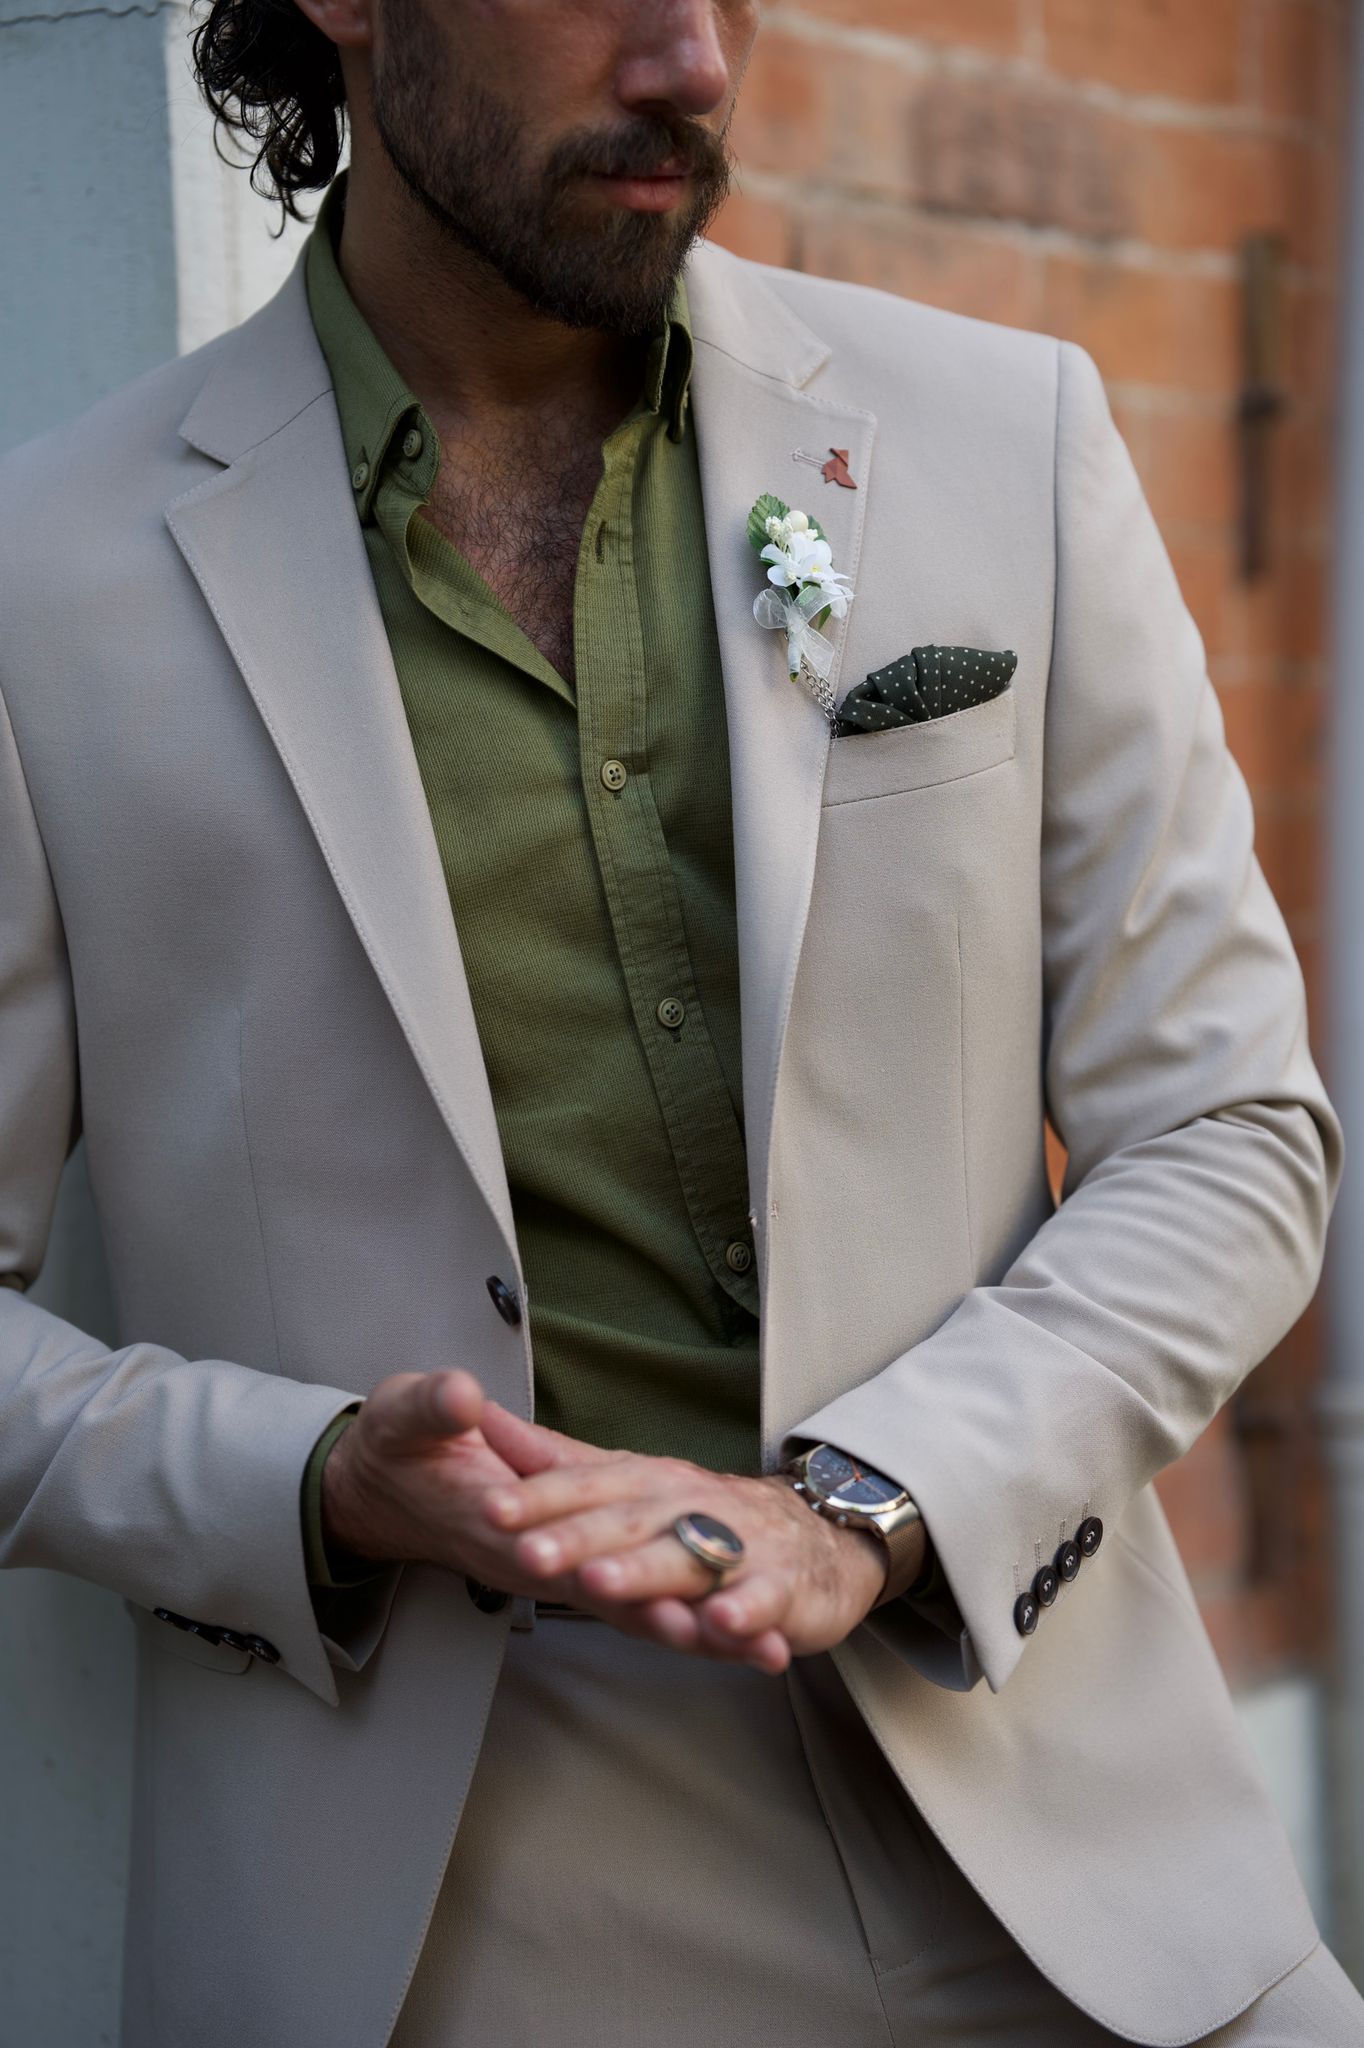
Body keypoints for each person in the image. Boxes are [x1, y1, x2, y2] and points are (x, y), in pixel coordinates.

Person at [0, 0, 1359, 2041]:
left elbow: (1234, 1128)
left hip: (1085, 1860)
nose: (691, 62)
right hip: (455, 1921)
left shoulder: (1008, 435)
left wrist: (870, 1508)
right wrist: (309, 1480)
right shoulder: (48, 583)